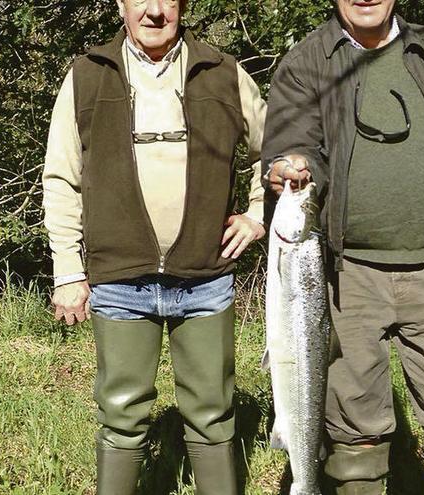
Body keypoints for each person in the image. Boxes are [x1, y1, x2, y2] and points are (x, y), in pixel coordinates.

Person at [262, 1, 424, 493]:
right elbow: (294, 142)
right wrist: (295, 165)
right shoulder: (308, 61)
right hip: (345, 278)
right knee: (355, 437)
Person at [41, 0, 267, 493]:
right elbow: (61, 179)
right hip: (119, 281)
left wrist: (258, 213)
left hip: (205, 279)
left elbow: (276, 151)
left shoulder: (223, 72)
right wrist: (68, 270)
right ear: (121, 5)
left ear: (182, 6)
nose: (155, 10)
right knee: (122, 415)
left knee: (213, 413)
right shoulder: (87, 75)